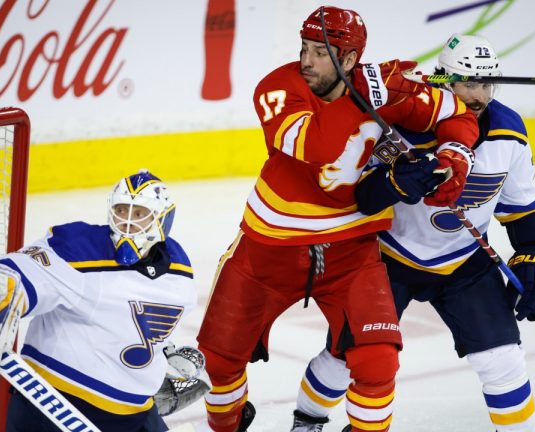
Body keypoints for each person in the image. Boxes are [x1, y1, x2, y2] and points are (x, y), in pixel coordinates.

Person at [196, 6, 479, 432]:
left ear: (348, 59)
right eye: (304, 49)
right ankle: (229, 423)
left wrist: (454, 155)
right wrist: (367, 95)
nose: (306, 61)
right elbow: (319, 145)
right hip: (268, 250)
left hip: (351, 250)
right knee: (219, 361)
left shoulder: (379, 88)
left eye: (321, 52)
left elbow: (456, 113)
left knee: (378, 358)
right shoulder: (278, 87)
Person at [291, 34, 535, 432]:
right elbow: (361, 197)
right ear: (442, 81)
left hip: (463, 262)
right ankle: (307, 421)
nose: (479, 94)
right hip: (386, 259)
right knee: (345, 355)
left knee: (502, 359)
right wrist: (396, 182)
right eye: (468, 82)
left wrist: (534, 254)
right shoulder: (404, 125)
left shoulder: (510, 133)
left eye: (487, 83)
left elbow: (520, 207)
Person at [0, 170, 197, 432]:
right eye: (122, 211)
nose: (127, 222)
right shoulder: (80, 247)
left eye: (138, 214)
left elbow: (129, 315)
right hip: (56, 404)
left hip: (136, 414)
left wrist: (162, 351)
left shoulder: (179, 268)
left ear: (162, 219)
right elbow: (26, 272)